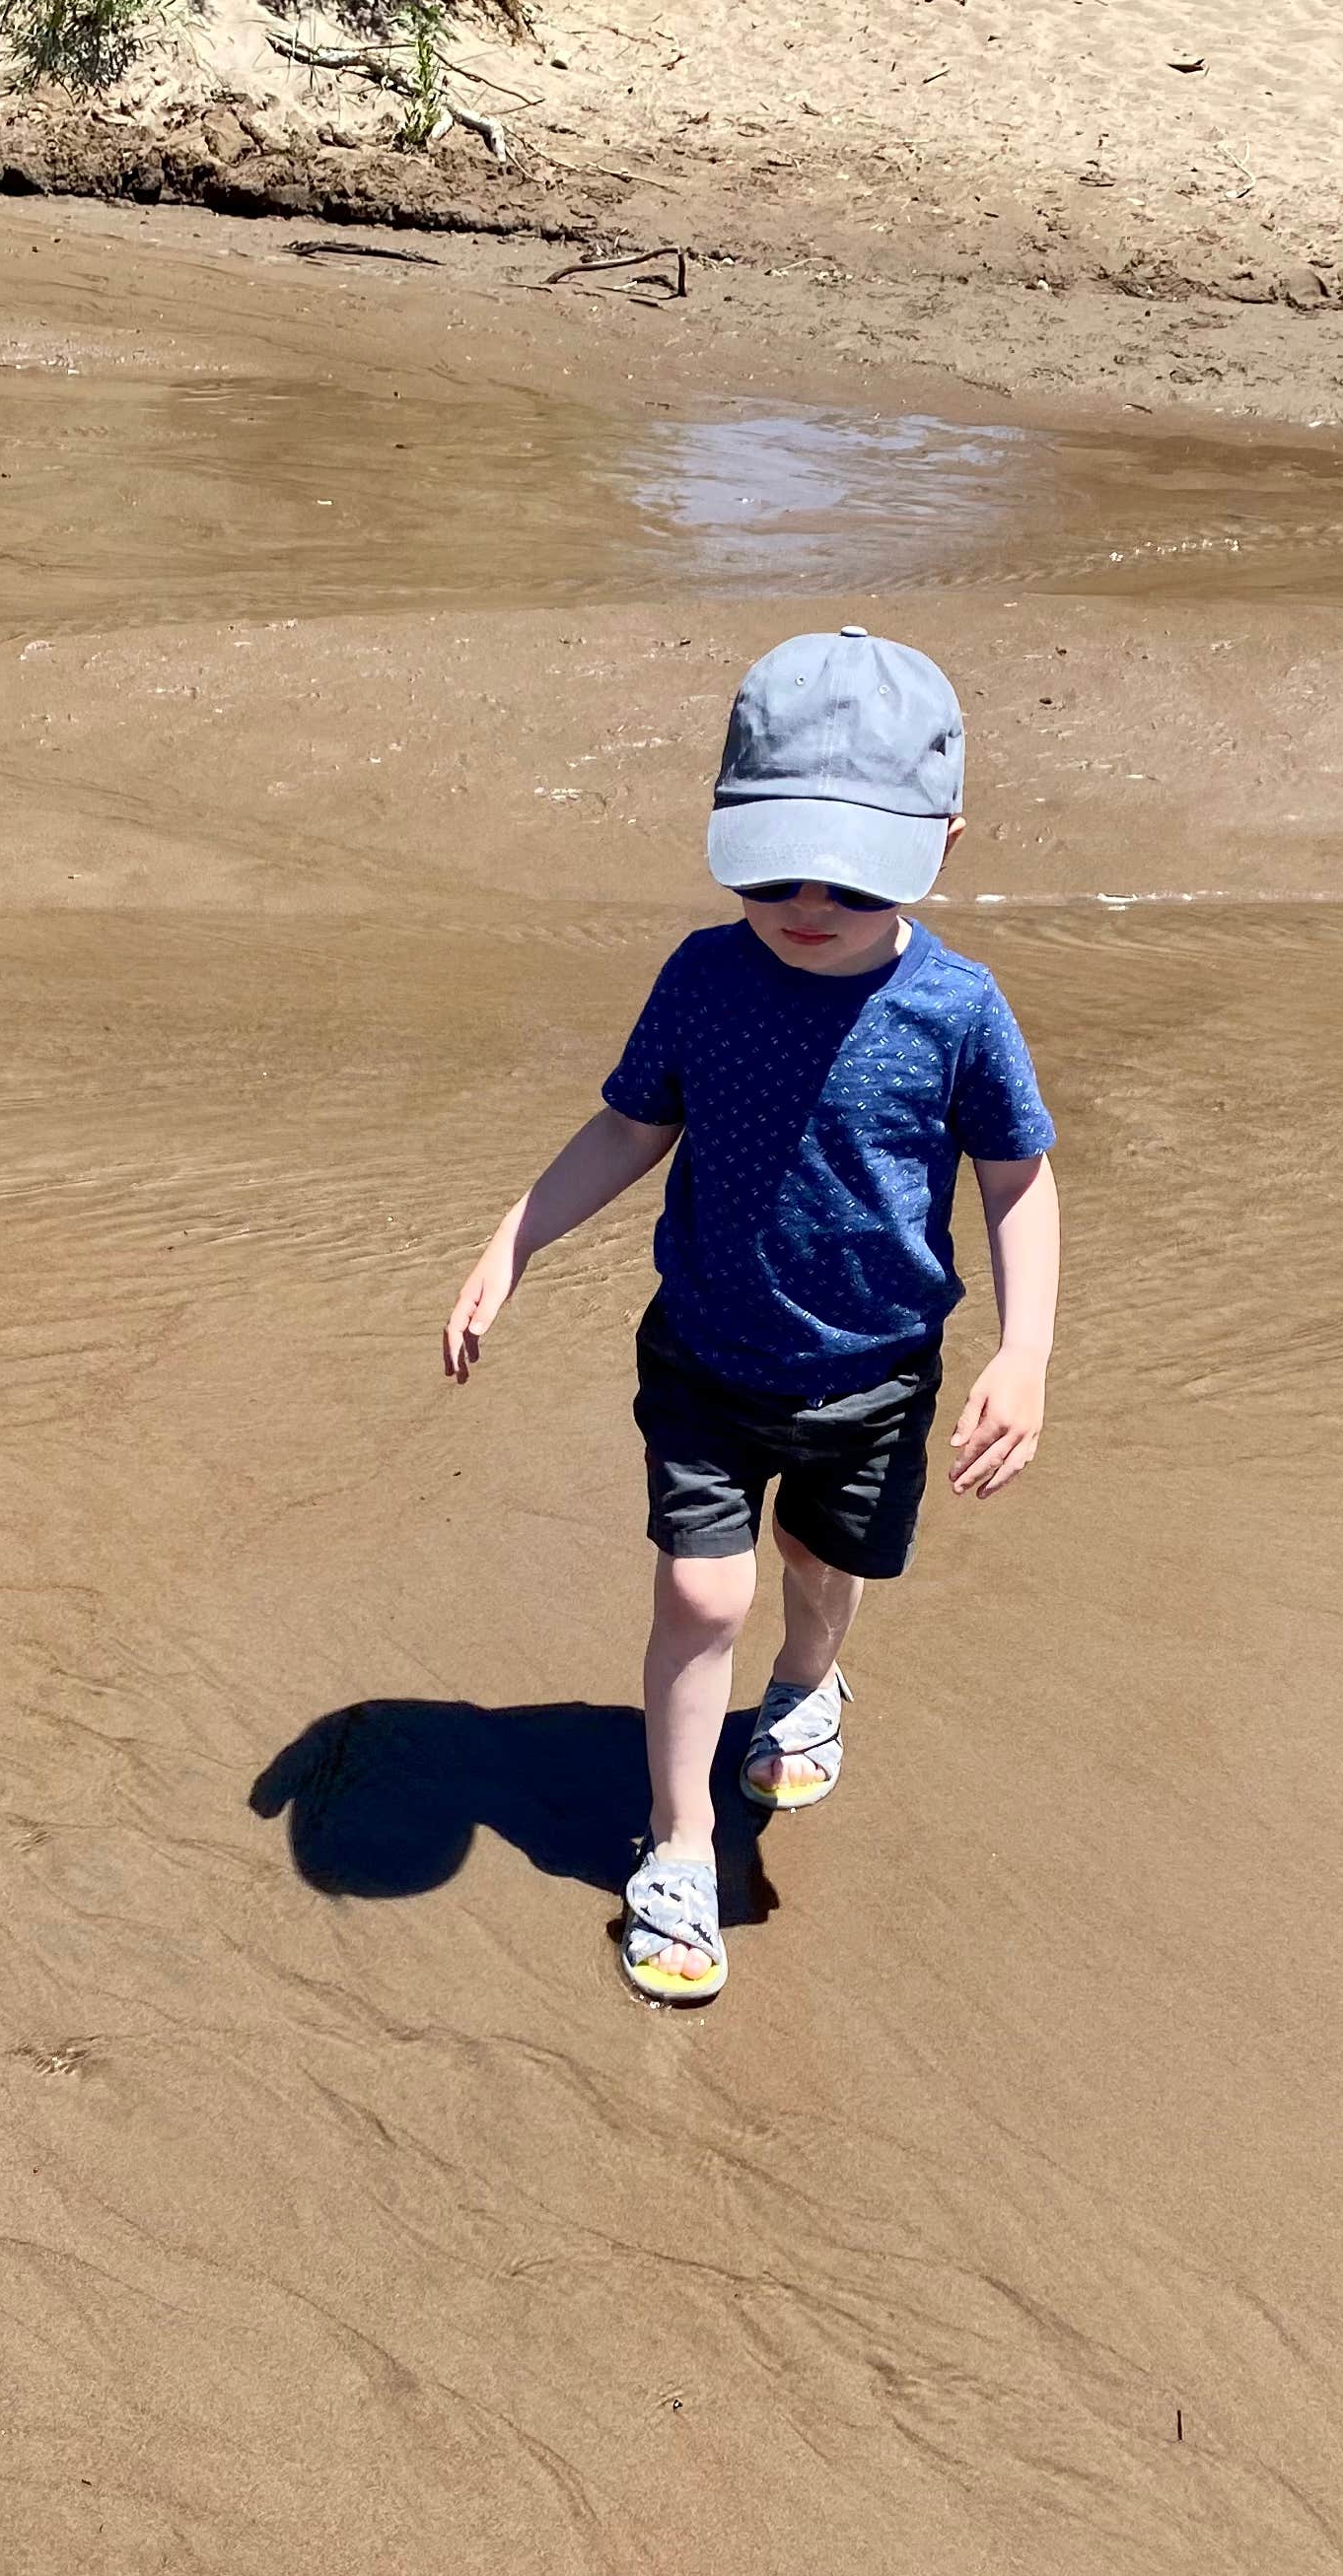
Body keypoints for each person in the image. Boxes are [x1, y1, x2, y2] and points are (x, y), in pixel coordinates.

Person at [441, 626, 1062, 2004]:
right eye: (775, 866)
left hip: (878, 1377)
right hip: (708, 1356)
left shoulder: (957, 1011)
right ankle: (677, 1846)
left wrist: (1025, 1352)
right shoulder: (703, 979)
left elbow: (1019, 1181)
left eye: (849, 875)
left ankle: (812, 1683)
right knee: (696, 1588)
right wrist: (515, 1237)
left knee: (818, 1571)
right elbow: (630, 1127)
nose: (806, 900)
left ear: (944, 844)